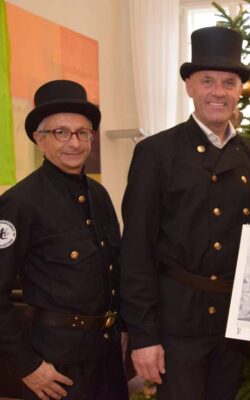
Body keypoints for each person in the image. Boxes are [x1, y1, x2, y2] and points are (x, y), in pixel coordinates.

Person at [119, 27, 250, 400]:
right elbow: (135, 250)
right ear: (189, 87)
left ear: (239, 90)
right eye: (207, 81)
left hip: (231, 326)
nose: (218, 92)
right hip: (176, 324)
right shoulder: (156, 153)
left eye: (228, 82)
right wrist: (143, 336)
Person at [0, 80, 128, 400]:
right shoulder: (20, 203)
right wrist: (27, 366)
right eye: (61, 132)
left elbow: (115, 271)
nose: (74, 142)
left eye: (82, 132)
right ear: (38, 139)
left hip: (107, 358)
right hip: (55, 367)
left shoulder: (99, 195)